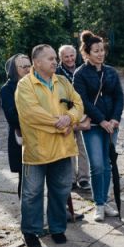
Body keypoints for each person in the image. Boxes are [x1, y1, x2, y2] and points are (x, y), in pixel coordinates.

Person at [15, 44, 84, 247]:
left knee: (60, 190)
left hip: (63, 148)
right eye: (50, 59)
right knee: (32, 193)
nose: (55, 61)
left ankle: (57, 228)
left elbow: (78, 104)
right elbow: (31, 114)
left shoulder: (62, 81)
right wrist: (62, 124)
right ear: (36, 62)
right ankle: (30, 231)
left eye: (55, 58)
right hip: (38, 150)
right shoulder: (25, 85)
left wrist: (70, 117)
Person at [73, 31, 124, 222]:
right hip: (94, 125)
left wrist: (115, 119)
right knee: (97, 165)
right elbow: (83, 101)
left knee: (108, 165)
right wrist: (101, 120)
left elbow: (119, 96)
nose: (100, 54)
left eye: (102, 50)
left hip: (111, 125)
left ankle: (105, 200)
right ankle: (99, 205)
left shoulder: (111, 71)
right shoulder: (80, 74)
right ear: (86, 53)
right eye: (96, 51)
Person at [56, 45, 90, 191]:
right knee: (68, 148)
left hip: (82, 114)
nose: (69, 59)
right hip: (65, 115)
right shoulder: (56, 73)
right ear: (61, 58)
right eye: (66, 56)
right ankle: (70, 179)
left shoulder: (82, 70)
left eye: (71, 55)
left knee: (83, 147)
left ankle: (83, 178)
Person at [0, 54, 30, 197]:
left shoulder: (37, 83)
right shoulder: (7, 89)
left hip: (44, 137)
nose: (27, 69)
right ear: (14, 69)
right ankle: (28, 215)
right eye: (23, 66)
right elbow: (12, 116)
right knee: (26, 179)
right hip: (23, 138)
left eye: (29, 65)